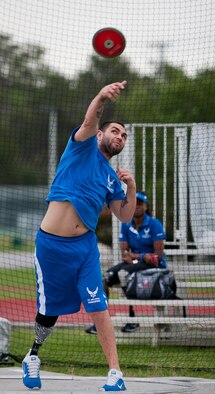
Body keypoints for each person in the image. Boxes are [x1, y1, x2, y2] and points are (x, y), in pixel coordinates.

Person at [22, 81, 136, 392]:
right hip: (51, 245)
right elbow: (90, 120)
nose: (120, 137)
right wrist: (101, 96)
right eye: (115, 131)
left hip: (85, 248)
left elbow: (124, 215)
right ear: (101, 134)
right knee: (50, 310)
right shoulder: (82, 146)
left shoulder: (112, 178)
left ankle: (115, 372)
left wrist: (131, 186)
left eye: (124, 136)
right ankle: (33, 355)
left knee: (98, 305)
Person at [85, 191, 166, 335]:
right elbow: (125, 254)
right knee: (105, 277)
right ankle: (100, 322)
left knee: (125, 274)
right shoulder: (126, 224)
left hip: (155, 266)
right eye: (135, 203)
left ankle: (132, 319)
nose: (137, 207)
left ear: (146, 206)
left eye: (140, 204)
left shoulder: (154, 224)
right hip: (134, 263)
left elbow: (157, 257)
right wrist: (142, 257)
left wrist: (137, 257)